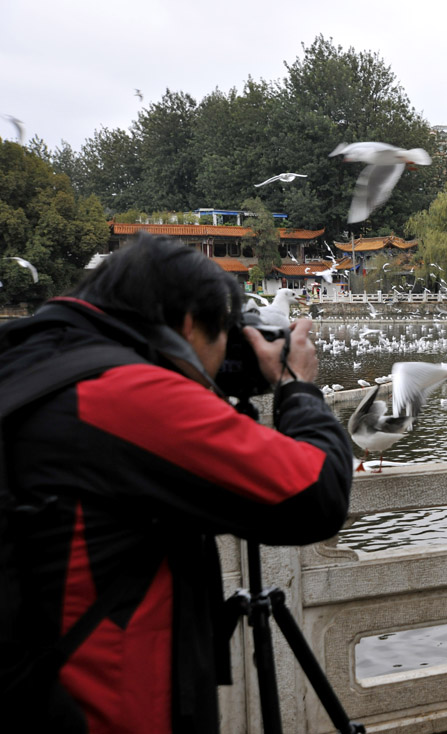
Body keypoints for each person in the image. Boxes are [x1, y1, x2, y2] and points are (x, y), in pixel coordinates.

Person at [0, 234, 353, 733]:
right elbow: (316, 493)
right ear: (189, 323)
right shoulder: (121, 397)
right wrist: (298, 387)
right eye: (221, 339)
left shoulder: (29, 366)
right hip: (99, 708)